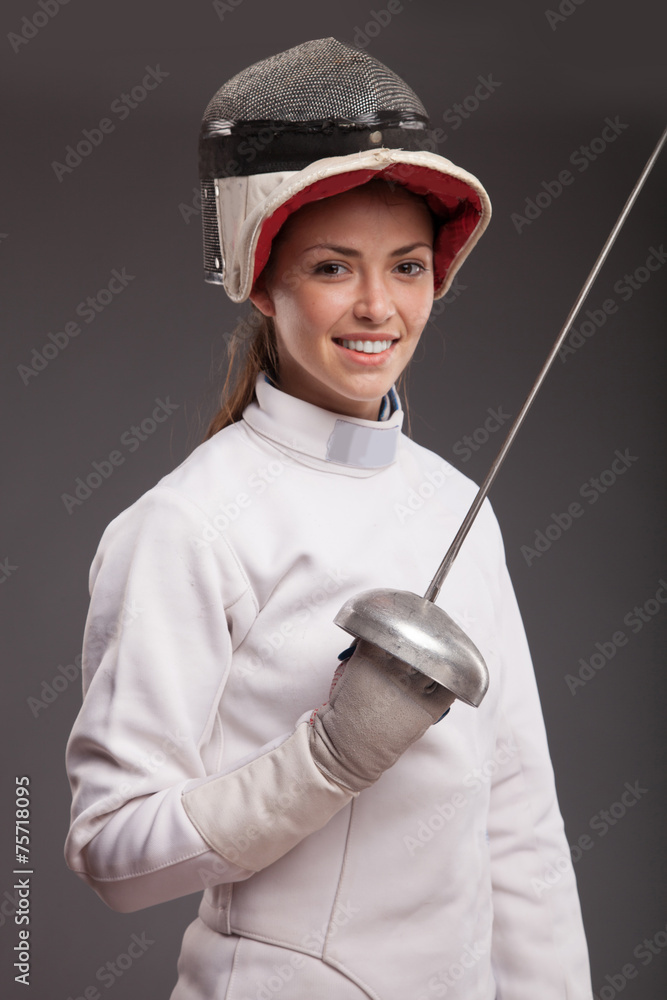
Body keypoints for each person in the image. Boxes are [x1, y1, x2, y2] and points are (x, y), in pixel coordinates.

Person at [65, 38, 593, 999]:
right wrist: (327, 757)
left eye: (406, 266)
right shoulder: (187, 524)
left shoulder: (458, 504)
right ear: (262, 282)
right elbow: (112, 851)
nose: (377, 306)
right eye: (331, 266)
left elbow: (518, 823)